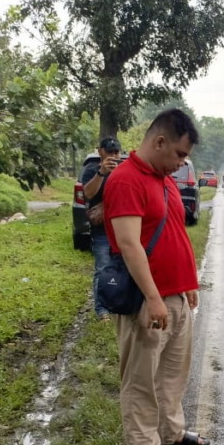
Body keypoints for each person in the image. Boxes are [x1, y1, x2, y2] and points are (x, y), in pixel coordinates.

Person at [102, 109, 210, 445]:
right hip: (148, 299)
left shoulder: (163, 179)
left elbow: (176, 232)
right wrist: (152, 297)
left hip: (176, 295)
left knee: (172, 373)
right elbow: (130, 245)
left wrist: (188, 282)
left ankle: (171, 432)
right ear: (159, 141)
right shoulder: (126, 180)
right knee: (141, 377)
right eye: (179, 155)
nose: (181, 164)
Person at [81, 136, 123, 321]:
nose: (113, 155)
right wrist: (101, 173)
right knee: (102, 269)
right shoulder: (91, 169)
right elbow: (88, 193)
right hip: (102, 231)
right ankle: (101, 309)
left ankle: (120, 303)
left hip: (122, 229)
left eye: (116, 152)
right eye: (109, 151)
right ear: (101, 151)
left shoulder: (124, 170)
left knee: (123, 269)